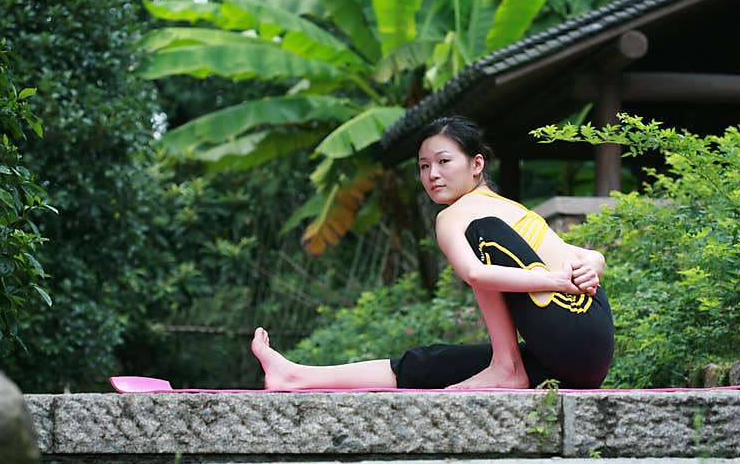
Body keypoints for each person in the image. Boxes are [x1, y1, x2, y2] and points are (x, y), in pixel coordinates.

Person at [252, 116, 614, 390]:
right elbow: (589, 255)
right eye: (424, 166)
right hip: (581, 356)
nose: (432, 175)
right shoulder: (510, 212)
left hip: (575, 329)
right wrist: (588, 266)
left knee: (482, 234)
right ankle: (296, 376)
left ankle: (506, 366)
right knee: (435, 362)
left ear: (476, 164)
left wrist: (567, 274)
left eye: (443, 162)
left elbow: (476, 274)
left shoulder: (466, 217)